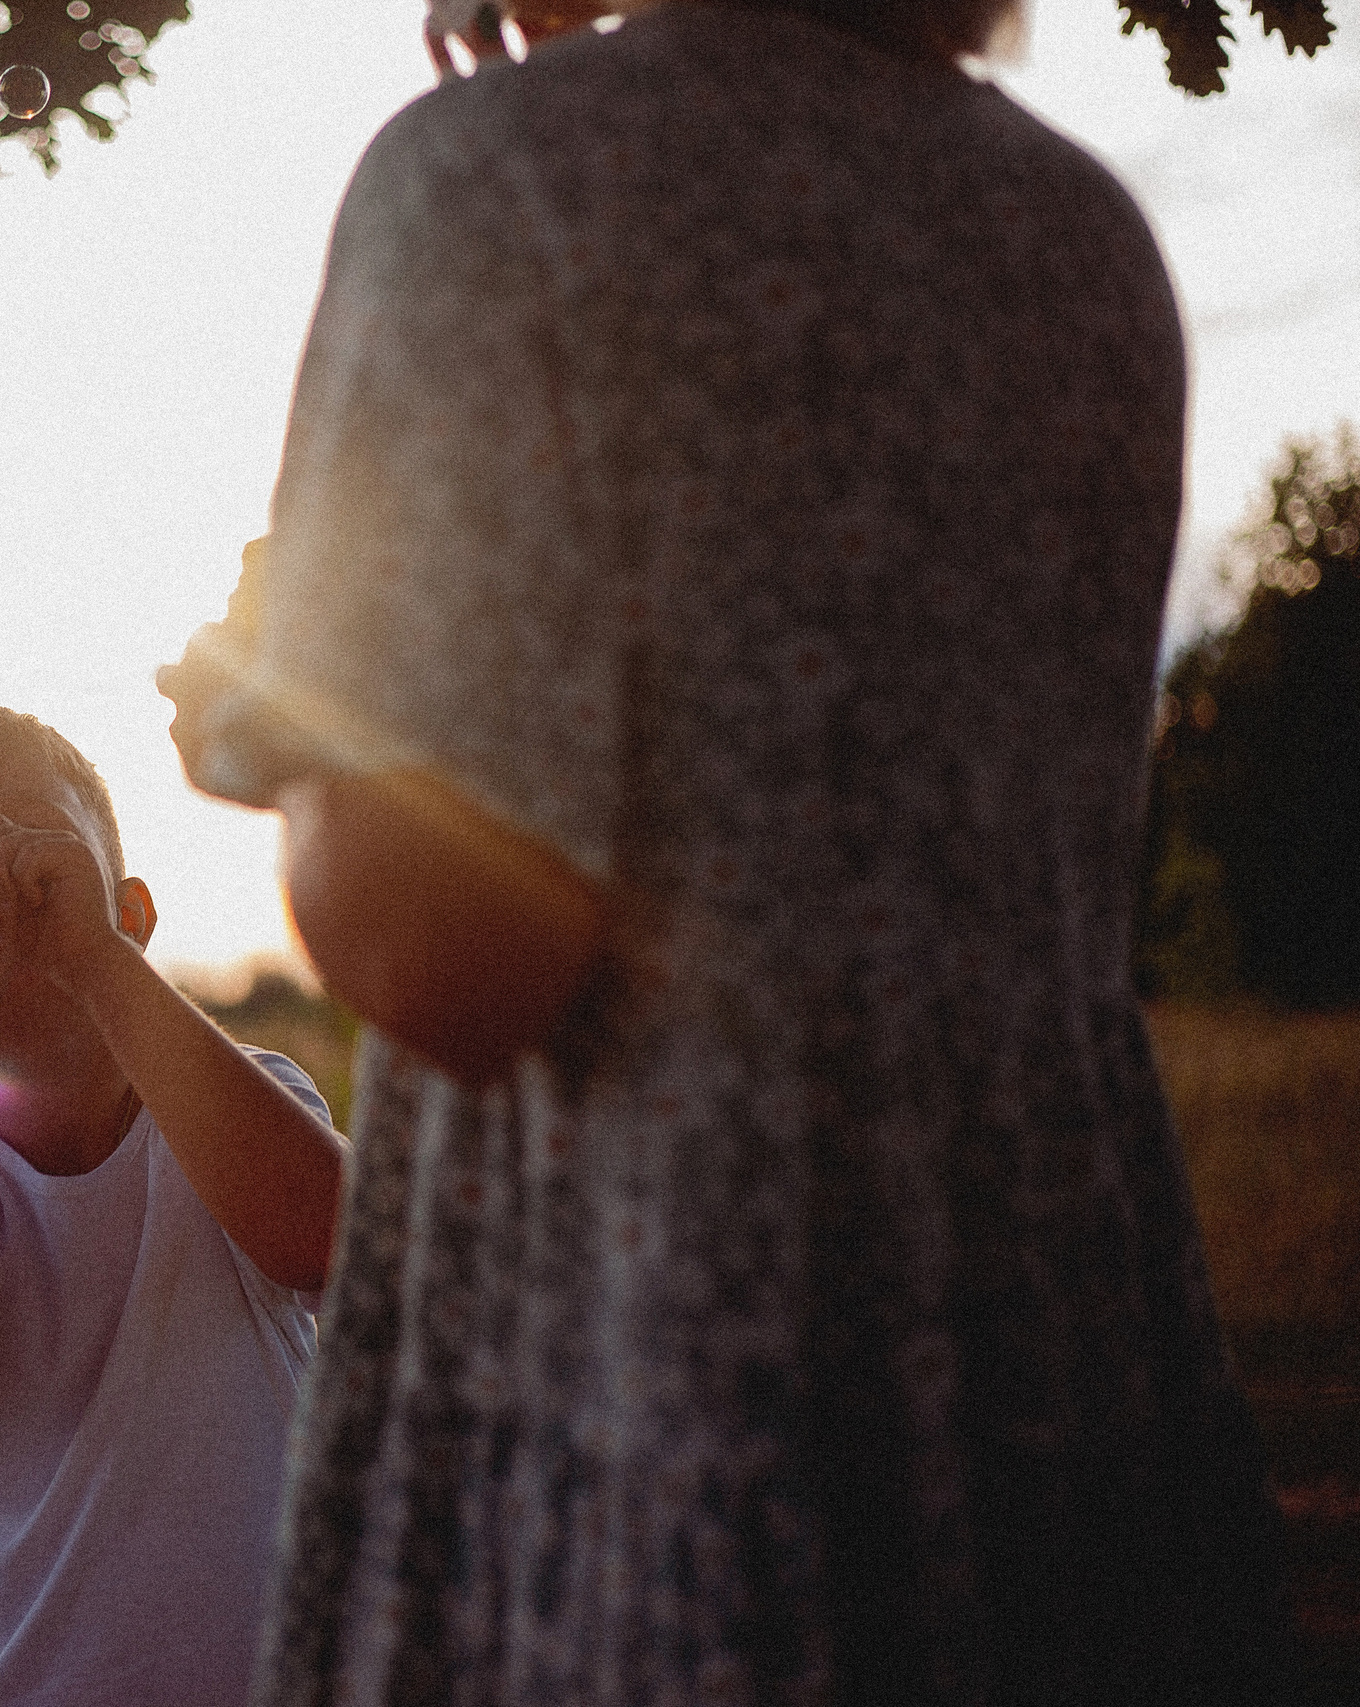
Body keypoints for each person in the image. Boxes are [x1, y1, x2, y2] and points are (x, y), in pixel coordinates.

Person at [162, 0, 1300, 1700]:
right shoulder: (1082, 228)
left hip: (657, 1321)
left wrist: (299, 684)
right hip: (1058, 1334)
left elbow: (439, 958)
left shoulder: (495, 181)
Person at [0, 701, 351, 1707]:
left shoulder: (241, 1094)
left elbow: (333, 1245)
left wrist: (95, 961)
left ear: (130, 912)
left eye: (25, 848)